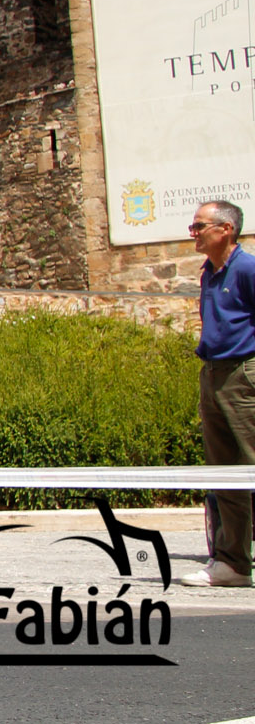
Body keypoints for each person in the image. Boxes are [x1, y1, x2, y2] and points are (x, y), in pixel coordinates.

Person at [182, 200, 255, 587]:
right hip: (213, 373)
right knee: (225, 473)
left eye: (199, 226)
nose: (192, 233)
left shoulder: (247, 268)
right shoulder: (209, 272)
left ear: (225, 229)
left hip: (244, 373)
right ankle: (233, 563)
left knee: (251, 466)